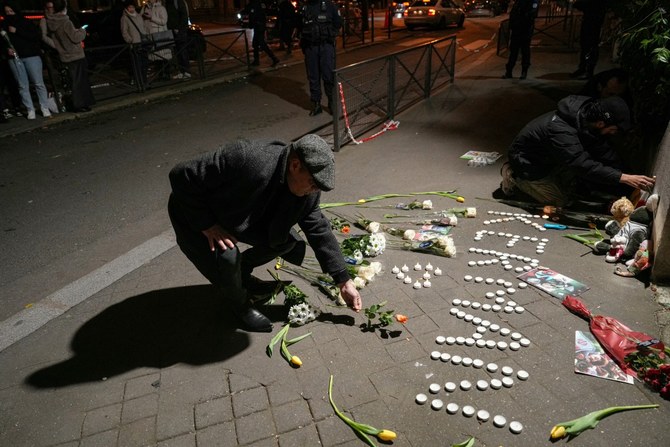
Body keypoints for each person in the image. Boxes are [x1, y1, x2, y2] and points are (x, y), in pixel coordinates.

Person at [168, 134, 363, 332]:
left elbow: (318, 229)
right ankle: (240, 305)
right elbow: (180, 174)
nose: (314, 191)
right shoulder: (246, 157)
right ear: (295, 165)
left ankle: (241, 274)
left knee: (286, 242)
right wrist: (207, 224)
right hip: (195, 212)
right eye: (313, 184)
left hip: (240, 214)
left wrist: (343, 280)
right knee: (227, 258)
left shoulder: (308, 190)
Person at [500, 95, 656, 206]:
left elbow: (603, 152)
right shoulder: (561, 131)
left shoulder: (586, 116)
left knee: (581, 185)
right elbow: (581, 164)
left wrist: (628, 179)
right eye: (613, 129)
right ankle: (514, 178)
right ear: (601, 123)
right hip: (527, 163)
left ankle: (555, 177)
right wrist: (623, 177)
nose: (614, 133)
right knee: (559, 201)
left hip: (552, 157)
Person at [1, 1, 52, 119]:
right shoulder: (3, 25)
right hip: (14, 58)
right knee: (22, 85)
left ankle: (44, 107)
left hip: (31, 56)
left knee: (38, 82)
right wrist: (6, 50)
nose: (9, 14)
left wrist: (17, 31)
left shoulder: (25, 22)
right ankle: (30, 109)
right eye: (7, 12)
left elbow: (35, 37)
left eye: (11, 11)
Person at [45, 0, 95, 113]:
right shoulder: (65, 21)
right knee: (80, 81)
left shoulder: (52, 22)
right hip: (75, 54)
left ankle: (80, 104)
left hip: (64, 55)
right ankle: (81, 104)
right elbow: (75, 37)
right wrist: (82, 31)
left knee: (74, 81)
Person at [299, 0, 341, 116]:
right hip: (310, 47)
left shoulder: (329, 6)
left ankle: (331, 103)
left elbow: (338, 23)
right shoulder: (305, 8)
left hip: (325, 46)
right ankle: (316, 104)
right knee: (313, 76)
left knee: (328, 75)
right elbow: (299, 26)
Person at [570, 0, 607, 80]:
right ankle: (583, 68)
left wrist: (576, 3)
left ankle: (588, 71)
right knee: (585, 47)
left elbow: (586, 5)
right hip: (590, 22)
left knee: (590, 48)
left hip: (594, 24)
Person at [502, 0, 538, 80]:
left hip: (525, 30)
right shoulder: (518, 1)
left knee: (525, 51)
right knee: (513, 51)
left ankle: (524, 72)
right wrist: (512, 26)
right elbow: (513, 14)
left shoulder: (532, 1)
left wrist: (522, 17)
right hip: (516, 29)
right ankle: (509, 71)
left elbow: (532, 14)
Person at [120, 0, 149, 89]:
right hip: (135, 44)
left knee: (145, 63)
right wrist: (130, 40)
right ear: (126, 8)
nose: (131, 9)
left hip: (143, 42)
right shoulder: (124, 18)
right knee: (138, 64)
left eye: (132, 7)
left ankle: (145, 81)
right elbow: (124, 32)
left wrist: (146, 36)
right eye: (129, 7)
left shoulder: (138, 16)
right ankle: (140, 82)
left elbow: (143, 27)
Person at [244, 0, 279, 67]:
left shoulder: (254, 4)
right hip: (260, 26)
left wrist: (251, 24)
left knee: (262, 44)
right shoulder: (260, 3)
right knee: (255, 44)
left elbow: (253, 14)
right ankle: (256, 61)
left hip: (258, 27)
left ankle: (274, 58)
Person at [141, 0, 172, 76]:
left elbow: (163, 21)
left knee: (163, 56)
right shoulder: (145, 8)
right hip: (150, 36)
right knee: (155, 57)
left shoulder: (161, 8)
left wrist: (152, 17)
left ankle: (166, 74)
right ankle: (159, 74)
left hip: (160, 36)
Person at [165, 0, 191, 79]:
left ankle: (186, 71)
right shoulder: (168, 2)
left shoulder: (178, 2)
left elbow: (184, 16)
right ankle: (181, 71)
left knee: (182, 51)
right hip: (172, 31)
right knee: (177, 52)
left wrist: (179, 28)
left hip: (179, 31)